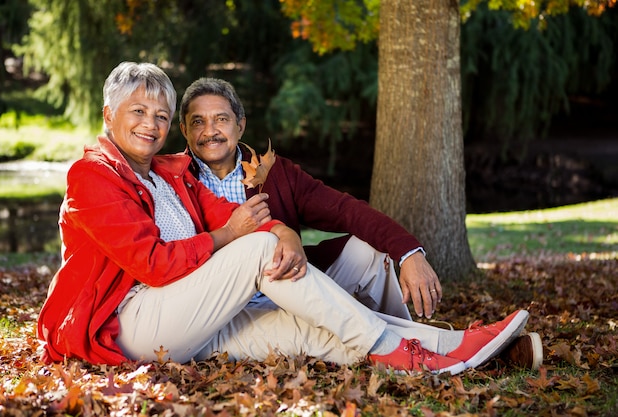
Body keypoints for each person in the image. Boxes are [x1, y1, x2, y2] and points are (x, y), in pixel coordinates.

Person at [37, 61, 529, 375]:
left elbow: (244, 215)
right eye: (138, 111)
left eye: (160, 115)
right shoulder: (92, 175)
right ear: (109, 115)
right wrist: (237, 236)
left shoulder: (167, 176)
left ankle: (452, 349)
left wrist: (283, 231)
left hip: (198, 315)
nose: (151, 123)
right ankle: (405, 345)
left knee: (306, 331)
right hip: (130, 321)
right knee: (253, 248)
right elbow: (157, 261)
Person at [178, 77, 543, 370]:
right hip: (231, 310)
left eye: (221, 119)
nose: (210, 131)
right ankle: (436, 350)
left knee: (369, 252)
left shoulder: (277, 174)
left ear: (240, 125)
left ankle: (414, 348)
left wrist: (408, 252)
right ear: (184, 130)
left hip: (294, 283)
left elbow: (347, 210)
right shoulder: (175, 179)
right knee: (338, 332)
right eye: (199, 121)